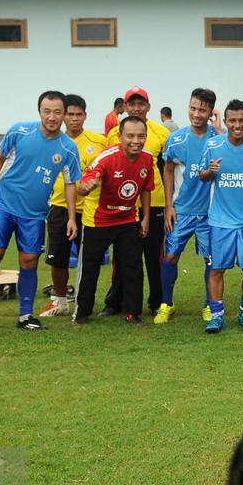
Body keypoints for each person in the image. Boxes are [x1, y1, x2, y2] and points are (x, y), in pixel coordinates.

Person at [0, 90, 81, 333]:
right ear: (39, 111)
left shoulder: (68, 148)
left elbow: (71, 184)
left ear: (64, 114)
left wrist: (72, 218)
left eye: (57, 112)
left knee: (29, 260)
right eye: (47, 111)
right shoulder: (19, 131)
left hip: (34, 214)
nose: (51, 117)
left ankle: (25, 315)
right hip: (3, 204)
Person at [72, 116, 153, 325]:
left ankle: (132, 312)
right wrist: (86, 187)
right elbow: (82, 187)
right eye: (130, 136)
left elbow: (146, 189)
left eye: (141, 136)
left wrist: (145, 218)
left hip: (128, 219)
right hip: (98, 220)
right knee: (89, 267)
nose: (136, 141)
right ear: (119, 136)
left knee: (133, 266)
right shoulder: (106, 158)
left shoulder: (147, 158)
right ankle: (81, 313)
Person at [102, 86, 170, 315]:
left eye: (141, 104)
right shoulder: (114, 133)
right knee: (122, 257)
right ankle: (115, 302)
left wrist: (170, 203)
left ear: (148, 106)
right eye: (132, 104)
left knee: (154, 256)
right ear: (125, 106)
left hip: (155, 202)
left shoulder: (161, 133)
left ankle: (157, 302)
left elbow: (168, 169)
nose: (137, 108)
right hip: (124, 204)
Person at [154, 88, 219, 324]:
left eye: (202, 110)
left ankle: (209, 304)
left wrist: (220, 130)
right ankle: (166, 303)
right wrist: (168, 206)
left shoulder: (218, 138)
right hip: (181, 211)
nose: (196, 114)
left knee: (211, 260)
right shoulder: (176, 139)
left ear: (211, 112)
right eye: (193, 108)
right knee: (170, 257)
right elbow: (168, 170)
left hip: (210, 212)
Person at [39, 94, 107, 318]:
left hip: (89, 209)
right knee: (58, 258)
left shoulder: (98, 142)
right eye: (70, 114)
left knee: (89, 260)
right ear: (63, 116)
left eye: (79, 114)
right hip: (59, 207)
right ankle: (60, 301)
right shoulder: (52, 141)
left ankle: (84, 302)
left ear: (85, 116)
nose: (74, 119)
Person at [199, 100, 243, 333]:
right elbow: (202, 176)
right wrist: (210, 171)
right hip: (220, 221)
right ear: (225, 122)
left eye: (242, 121)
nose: (238, 125)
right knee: (217, 269)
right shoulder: (212, 145)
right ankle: (216, 316)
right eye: (233, 120)